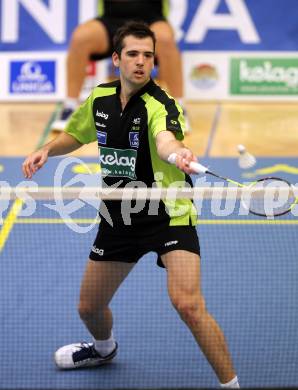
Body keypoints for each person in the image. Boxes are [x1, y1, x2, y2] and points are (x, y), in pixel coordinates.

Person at [23, 21, 239, 388]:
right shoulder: (100, 98)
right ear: (117, 58)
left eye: (148, 55)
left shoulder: (161, 103)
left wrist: (178, 153)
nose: (141, 62)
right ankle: (103, 348)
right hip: (119, 214)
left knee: (187, 304)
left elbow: (165, 138)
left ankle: (231, 385)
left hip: (167, 212)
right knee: (89, 308)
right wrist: (46, 148)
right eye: (133, 54)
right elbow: (76, 134)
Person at [51, 0, 191, 133]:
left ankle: (177, 109)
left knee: (165, 39)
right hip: (111, 20)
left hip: (150, 20)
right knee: (81, 37)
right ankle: (69, 107)